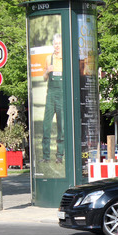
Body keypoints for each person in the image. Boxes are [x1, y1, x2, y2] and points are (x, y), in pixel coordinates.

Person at [42, 33, 65, 163]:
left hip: (62, 95)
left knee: (61, 126)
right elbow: (44, 78)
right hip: (50, 94)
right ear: (53, 45)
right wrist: (47, 71)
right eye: (55, 44)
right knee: (46, 125)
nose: (57, 46)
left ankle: (59, 156)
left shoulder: (66, 60)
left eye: (59, 44)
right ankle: (46, 156)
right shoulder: (48, 58)